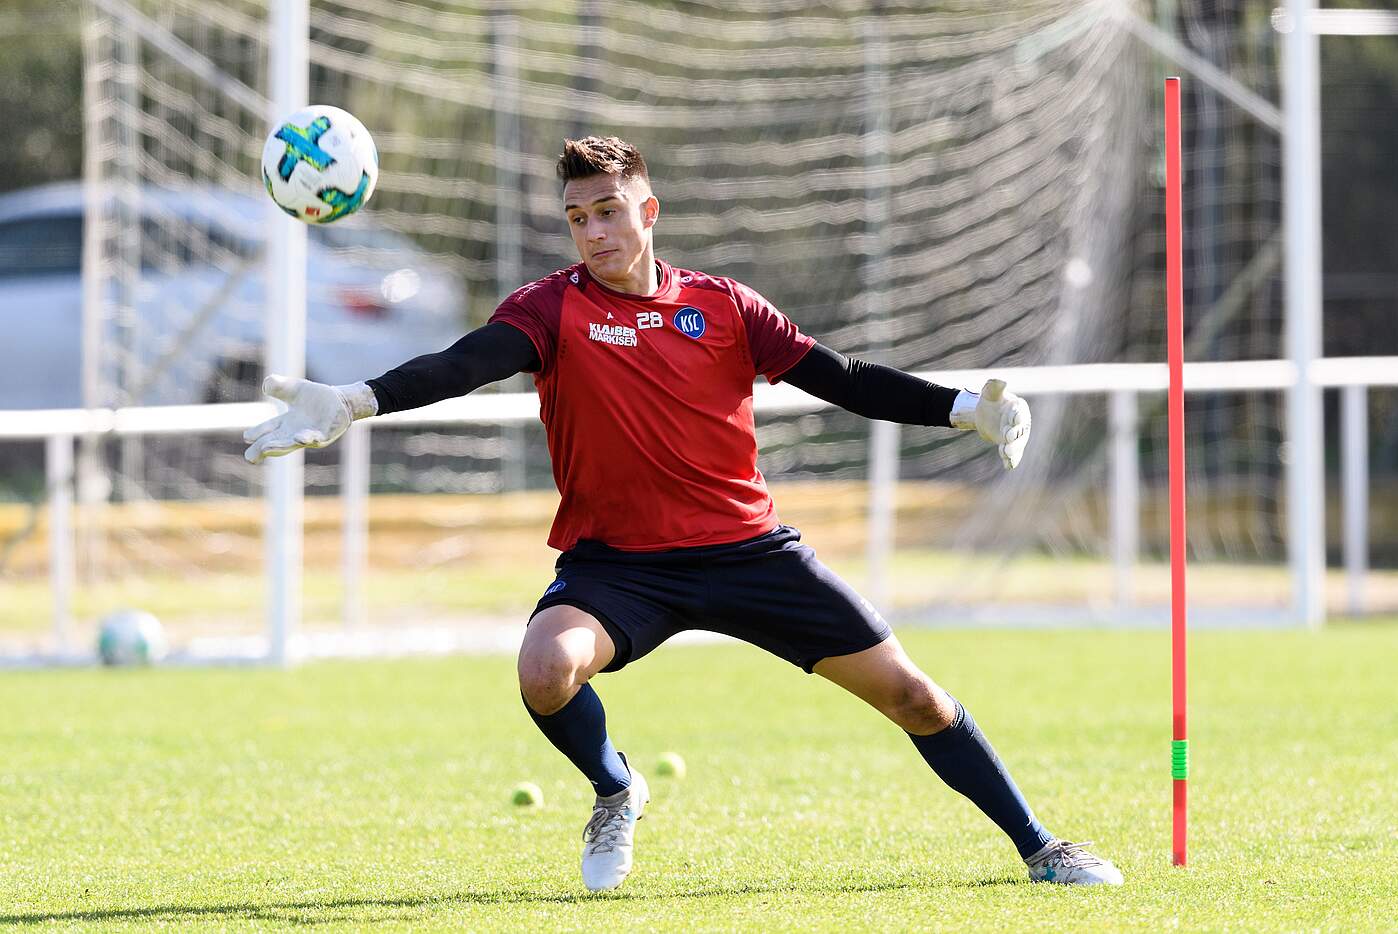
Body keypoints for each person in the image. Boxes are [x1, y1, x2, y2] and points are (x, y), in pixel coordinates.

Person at [243, 136, 1124, 891]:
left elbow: (844, 379)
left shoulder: (725, 306)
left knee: (916, 699)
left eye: (608, 211)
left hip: (750, 554)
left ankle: (1043, 848)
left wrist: (963, 409)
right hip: (618, 567)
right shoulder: (550, 309)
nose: (594, 231)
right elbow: (461, 363)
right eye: (578, 217)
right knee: (546, 670)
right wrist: (355, 399)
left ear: (648, 210)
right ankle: (615, 790)